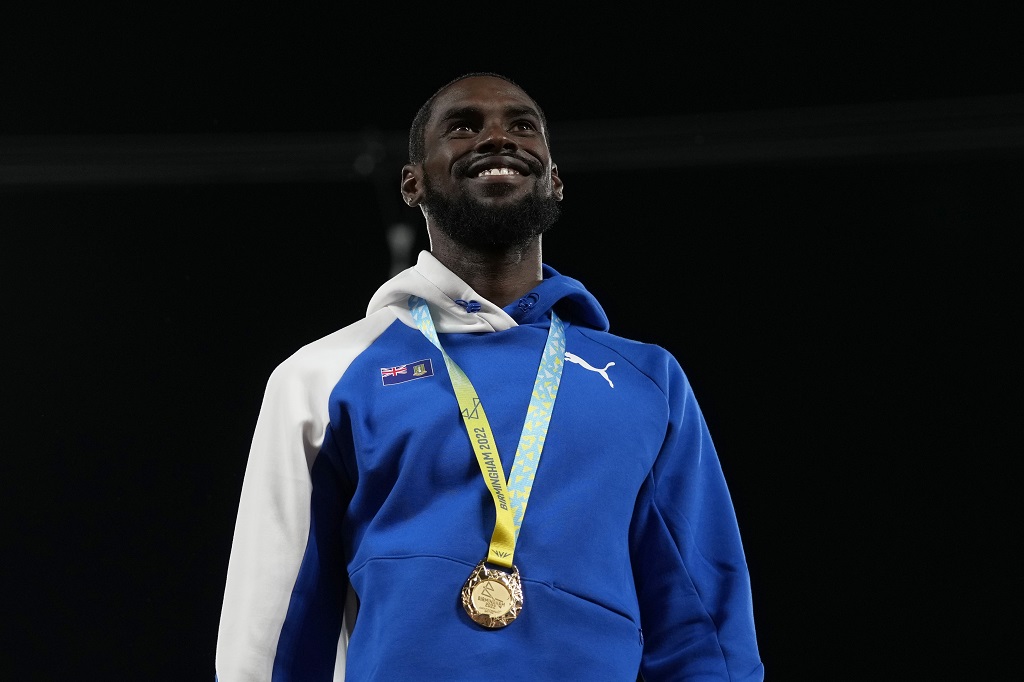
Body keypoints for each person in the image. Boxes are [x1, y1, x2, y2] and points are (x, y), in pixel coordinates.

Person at [215, 72, 764, 681]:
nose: (498, 139)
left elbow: (703, 623)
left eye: (523, 127)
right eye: (464, 126)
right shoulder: (321, 375)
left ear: (554, 180)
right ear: (412, 182)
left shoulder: (645, 380)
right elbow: (273, 625)